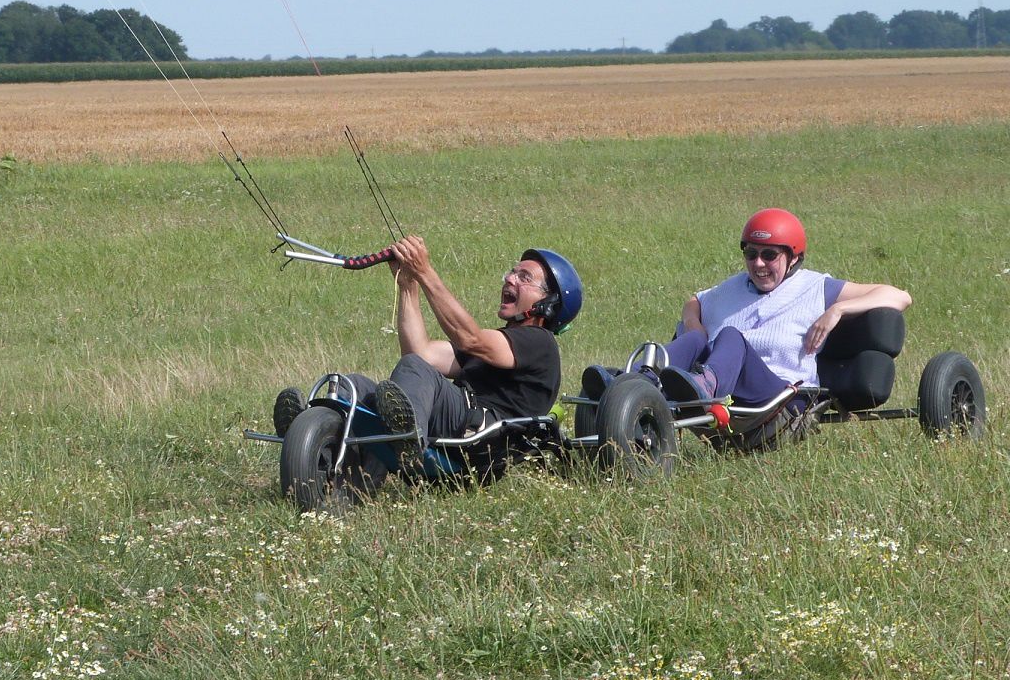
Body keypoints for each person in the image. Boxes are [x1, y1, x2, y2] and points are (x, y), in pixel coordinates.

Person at [273, 236, 583, 456]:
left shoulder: (539, 343)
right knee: (349, 384)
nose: (510, 279)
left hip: (482, 438)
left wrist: (425, 272)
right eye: (512, 272)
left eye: (523, 277)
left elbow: (469, 338)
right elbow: (420, 353)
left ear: (548, 304)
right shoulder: (502, 343)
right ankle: (307, 433)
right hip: (456, 418)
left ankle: (404, 443)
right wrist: (408, 284)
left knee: (413, 370)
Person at [586, 208, 911, 412]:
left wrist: (838, 309)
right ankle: (634, 380)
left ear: (794, 258)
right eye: (751, 253)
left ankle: (702, 388)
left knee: (730, 336)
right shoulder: (734, 286)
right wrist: (693, 324)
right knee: (699, 339)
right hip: (730, 395)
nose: (758, 264)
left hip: (781, 399)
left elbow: (899, 296)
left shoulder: (816, 288)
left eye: (770, 255)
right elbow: (695, 301)